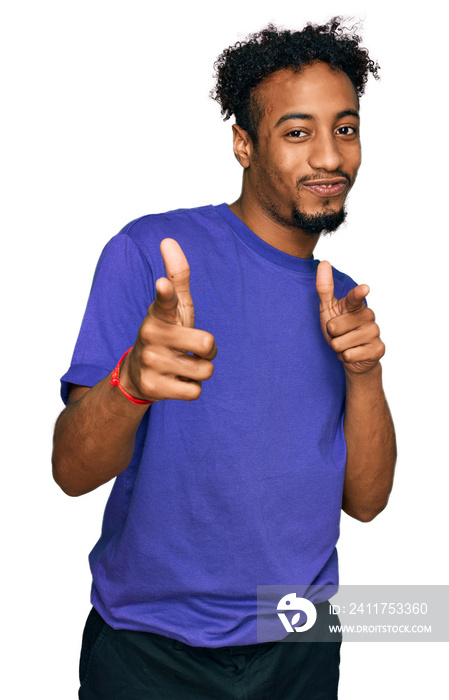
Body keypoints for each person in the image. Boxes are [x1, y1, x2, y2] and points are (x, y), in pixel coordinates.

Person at [53, 18, 396, 699]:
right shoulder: (152, 255)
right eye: (296, 132)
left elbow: (366, 501)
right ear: (243, 143)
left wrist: (364, 374)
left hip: (298, 639)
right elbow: (70, 471)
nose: (328, 157)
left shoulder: (341, 299)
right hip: (151, 649)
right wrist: (130, 383)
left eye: (345, 128)